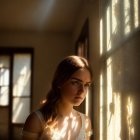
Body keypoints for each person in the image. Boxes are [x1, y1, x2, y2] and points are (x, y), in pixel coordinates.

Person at [22, 55, 93, 140]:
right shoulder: (36, 120)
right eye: (75, 82)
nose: (82, 90)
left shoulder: (85, 122)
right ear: (60, 82)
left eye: (86, 85)